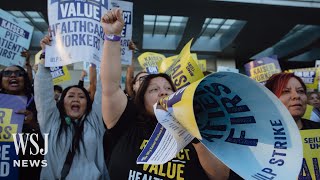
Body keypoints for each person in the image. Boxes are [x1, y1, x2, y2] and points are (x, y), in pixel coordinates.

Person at [100, 8, 229, 180]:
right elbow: (110, 85)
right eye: (153, 89)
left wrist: (197, 136)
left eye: (169, 89)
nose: (163, 92)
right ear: (141, 99)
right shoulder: (126, 122)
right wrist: (112, 37)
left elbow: (220, 177)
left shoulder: (195, 130)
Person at [34, 35, 109, 179]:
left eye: (81, 97)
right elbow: (42, 93)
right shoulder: (51, 122)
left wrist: (108, 48)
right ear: (62, 103)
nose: (76, 99)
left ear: (88, 104)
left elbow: (104, 87)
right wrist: (46, 54)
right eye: (70, 96)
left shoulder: (95, 122)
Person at [0, 65, 43, 179]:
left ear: (25, 79)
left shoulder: (39, 103)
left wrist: (34, 125)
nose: (13, 75)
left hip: (29, 167)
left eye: (19, 74)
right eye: (7, 74)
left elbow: (53, 139)